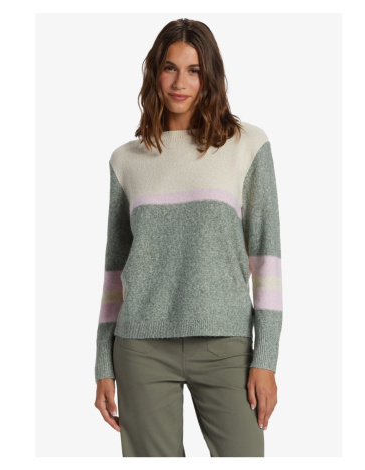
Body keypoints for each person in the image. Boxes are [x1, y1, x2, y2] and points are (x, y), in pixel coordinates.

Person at [94, 18, 283, 457]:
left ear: (209, 75)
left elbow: (266, 258)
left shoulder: (246, 146)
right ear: (154, 74)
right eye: (170, 68)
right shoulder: (126, 160)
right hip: (140, 347)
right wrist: (104, 361)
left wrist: (266, 358)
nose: (180, 82)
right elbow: (115, 269)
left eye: (193, 70)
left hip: (225, 344)